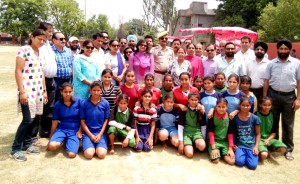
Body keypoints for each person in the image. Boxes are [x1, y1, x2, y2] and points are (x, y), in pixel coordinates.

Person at [10, 29, 47, 161]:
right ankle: (15, 149)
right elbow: (18, 71)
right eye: (39, 39)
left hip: (38, 91)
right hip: (27, 91)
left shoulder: (40, 53)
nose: (42, 42)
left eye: (44, 40)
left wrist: (44, 91)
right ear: (32, 36)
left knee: (35, 118)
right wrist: (22, 92)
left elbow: (41, 73)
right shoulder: (23, 50)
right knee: (27, 119)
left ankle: (27, 144)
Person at [263, 39, 300, 160]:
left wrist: (298, 99)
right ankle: (274, 146)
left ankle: (288, 149)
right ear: (277, 49)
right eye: (281, 48)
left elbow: (299, 82)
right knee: (272, 123)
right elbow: (266, 81)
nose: (283, 51)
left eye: (285, 49)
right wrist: (265, 98)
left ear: (289, 50)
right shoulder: (271, 63)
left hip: (289, 97)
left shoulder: (296, 63)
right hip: (273, 96)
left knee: (288, 124)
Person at [34, 22, 56, 140]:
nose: (50, 33)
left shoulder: (48, 45)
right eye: (49, 31)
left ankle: (45, 131)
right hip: (42, 80)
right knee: (40, 107)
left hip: (51, 79)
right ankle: (35, 133)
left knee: (49, 107)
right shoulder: (39, 45)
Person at [47, 83, 81, 158]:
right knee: (52, 146)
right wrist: (50, 138)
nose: (68, 94)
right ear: (61, 92)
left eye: (70, 92)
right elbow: (55, 122)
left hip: (74, 130)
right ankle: (63, 142)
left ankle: (69, 143)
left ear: (72, 92)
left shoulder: (79, 102)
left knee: (72, 155)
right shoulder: (58, 104)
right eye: (65, 92)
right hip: (62, 129)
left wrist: (80, 131)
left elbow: (83, 119)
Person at [80, 81, 110, 159]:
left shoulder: (105, 103)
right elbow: (82, 121)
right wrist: (91, 135)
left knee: (101, 155)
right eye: (94, 90)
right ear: (90, 91)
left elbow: (106, 120)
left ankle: (98, 147)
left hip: (100, 133)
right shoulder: (84, 103)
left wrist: (100, 135)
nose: (96, 92)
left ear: (101, 90)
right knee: (89, 155)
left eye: (98, 90)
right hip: (88, 133)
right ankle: (91, 147)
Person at [233, 96, 261, 170]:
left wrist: (256, 147)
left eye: (247, 105)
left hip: (251, 145)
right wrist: (234, 144)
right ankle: (242, 155)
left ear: (250, 106)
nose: (245, 107)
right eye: (243, 105)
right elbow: (234, 133)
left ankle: (250, 157)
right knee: (239, 162)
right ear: (239, 105)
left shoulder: (255, 118)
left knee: (252, 166)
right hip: (240, 145)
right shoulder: (235, 118)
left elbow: (258, 134)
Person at [207, 98, 235, 165]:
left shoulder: (229, 117)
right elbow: (210, 133)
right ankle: (217, 152)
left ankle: (223, 154)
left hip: (224, 142)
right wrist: (213, 148)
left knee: (231, 161)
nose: (221, 109)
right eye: (219, 106)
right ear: (216, 106)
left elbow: (230, 134)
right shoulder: (211, 116)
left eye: (223, 107)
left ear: (227, 107)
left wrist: (230, 149)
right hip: (214, 142)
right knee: (215, 160)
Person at [178, 92, 206, 158]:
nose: (194, 102)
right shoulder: (184, 109)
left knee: (202, 146)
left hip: (197, 132)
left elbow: (203, 126)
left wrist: (203, 139)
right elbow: (180, 126)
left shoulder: (201, 110)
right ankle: (189, 144)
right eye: (192, 100)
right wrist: (181, 142)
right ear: (188, 100)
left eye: (196, 100)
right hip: (187, 133)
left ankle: (195, 143)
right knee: (189, 154)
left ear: (198, 101)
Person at [52, 32, 74, 101]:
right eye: (61, 39)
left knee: (67, 100)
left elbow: (71, 65)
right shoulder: (50, 51)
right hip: (56, 81)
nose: (64, 41)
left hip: (68, 80)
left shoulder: (68, 51)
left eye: (65, 39)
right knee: (56, 100)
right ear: (54, 40)